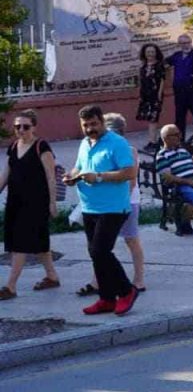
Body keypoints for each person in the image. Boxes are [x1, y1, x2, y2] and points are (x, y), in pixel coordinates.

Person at [64, 105, 140, 316]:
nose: (90, 129)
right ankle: (106, 298)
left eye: (94, 124)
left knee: (100, 251)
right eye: (85, 125)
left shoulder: (117, 143)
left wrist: (99, 177)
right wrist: (71, 177)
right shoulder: (84, 144)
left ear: (102, 122)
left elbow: (129, 172)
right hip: (90, 206)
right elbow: (79, 167)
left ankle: (127, 291)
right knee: (95, 253)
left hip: (114, 207)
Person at [0, 110, 60, 300]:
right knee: (40, 242)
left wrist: (53, 203)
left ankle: (10, 286)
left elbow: (51, 177)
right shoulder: (14, 146)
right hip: (15, 201)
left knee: (21, 243)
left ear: (34, 127)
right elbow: (6, 174)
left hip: (36, 202)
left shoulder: (41, 146)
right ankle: (52, 276)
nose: (21, 130)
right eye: (17, 126)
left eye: (26, 126)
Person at [99, 113, 146, 292]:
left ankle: (139, 279)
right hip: (108, 202)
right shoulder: (103, 150)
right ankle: (98, 280)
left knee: (131, 239)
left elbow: (131, 181)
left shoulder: (129, 150)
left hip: (127, 202)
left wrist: (119, 202)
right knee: (101, 245)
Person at [166, 34, 193, 138]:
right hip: (180, 91)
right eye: (183, 43)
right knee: (180, 117)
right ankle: (181, 141)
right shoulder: (176, 56)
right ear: (179, 44)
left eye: (187, 42)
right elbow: (164, 64)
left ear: (190, 43)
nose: (185, 45)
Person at [136, 44, 164, 149]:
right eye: (148, 52)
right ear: (144, 53)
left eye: (152, 52)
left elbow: (162, 81)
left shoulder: (159, 65)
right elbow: (141, 81)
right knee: (149, 118)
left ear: (156, 53)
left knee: (153, 118)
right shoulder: (143, 66)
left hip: (155, 96)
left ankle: (153, 141)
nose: (150, 54)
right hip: (145, 96)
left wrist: (159, 95)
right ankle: (152, 140)